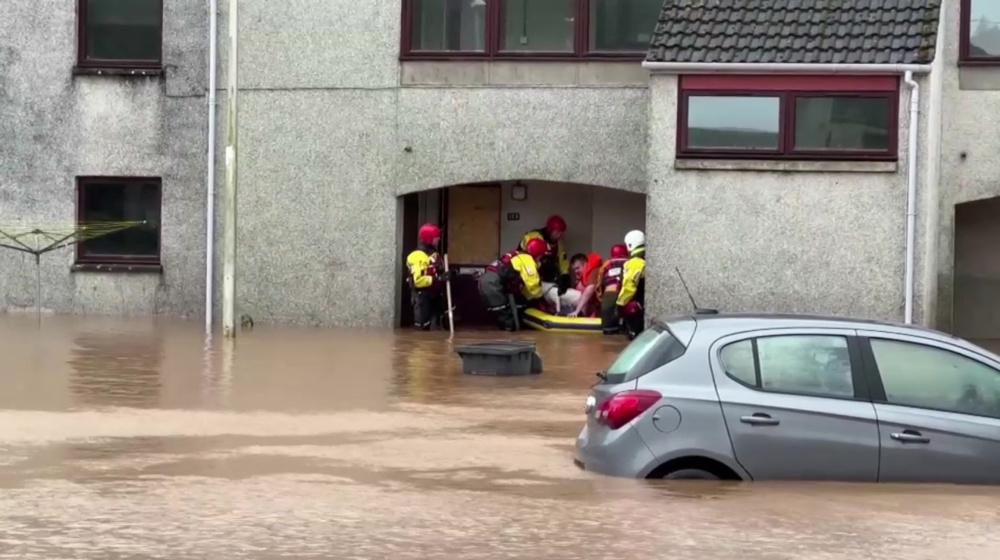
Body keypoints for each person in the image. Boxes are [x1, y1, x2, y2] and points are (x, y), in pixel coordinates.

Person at [479, 238, 546, 330]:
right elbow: (533, 286)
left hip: (486, 280)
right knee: (510, 325)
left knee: (507, 313)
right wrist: (543, 298)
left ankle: (502, 338)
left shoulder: (518, 255)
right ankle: (509, 340)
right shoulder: (527, 259)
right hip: (492, 284)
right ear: (539, 254)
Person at [405, 224, 453, 330]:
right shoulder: (417, 256)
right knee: (423, 330)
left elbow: (436, 271)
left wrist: (447, 274)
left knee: (439, 325)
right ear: (429, 238)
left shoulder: (434, 255)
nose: (439, 239)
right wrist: (438, 279)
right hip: (423, 297)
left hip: (435, 296)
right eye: (436, 236)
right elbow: (418, 280)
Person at [519, 214, 571, 294]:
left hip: (546, 278)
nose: (559, 235)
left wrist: (565, 276)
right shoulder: (533, 236)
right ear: (550, 230)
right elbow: (528, 254)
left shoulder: (558, 243)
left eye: (561, 232)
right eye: (557, 232)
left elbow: (562, 260)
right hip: (530, 274)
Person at [617, 230, 646, 340]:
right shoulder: (648, 257)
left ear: (630, 245)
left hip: (638, 306)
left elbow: (629, 286)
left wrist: (620, 304)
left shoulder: (634, 262)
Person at [596, 243, 629, 334]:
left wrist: (600, 298)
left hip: (608, 294)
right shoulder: (629, 262)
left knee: (607, 328)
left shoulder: (606, 264)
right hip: (625, 294)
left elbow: (599, 283)